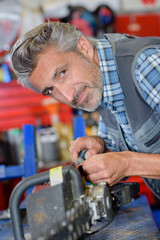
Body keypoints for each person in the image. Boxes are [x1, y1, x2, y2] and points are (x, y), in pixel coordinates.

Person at [11, 21, 160, 199]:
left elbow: (128, 162)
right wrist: (101, 149)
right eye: (50, 90)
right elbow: (121, 158)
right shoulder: (100, 84)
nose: (67, 96)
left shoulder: (146, 65)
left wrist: (129, 163)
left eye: (62, 73)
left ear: (84, 47)